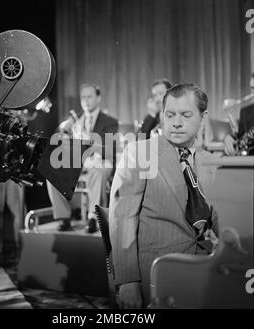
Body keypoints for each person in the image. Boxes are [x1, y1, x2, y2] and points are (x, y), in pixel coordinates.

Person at [109, 83, 219, 308]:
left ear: (203, 117)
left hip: (206, 268)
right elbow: (122, 218)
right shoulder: (140, 153)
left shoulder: (211, 162)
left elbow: (222, 221)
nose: (176, 122)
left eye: (186, 115)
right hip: (155, 273)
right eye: (170, 115)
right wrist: (128, 280)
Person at [47, 84, 119, 233]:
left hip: (101, 162)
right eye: (83, 97)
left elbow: (110, 148)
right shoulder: (75, 118)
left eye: (89, 96)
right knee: (52, 173)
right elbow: (58, 140)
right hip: (78, 162)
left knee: (97, 172)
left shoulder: (109, 121)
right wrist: (63, 129)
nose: (85, 101)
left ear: (98, 98)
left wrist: (88, 140)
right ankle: (64, 217)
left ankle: (94, 218)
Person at [224, 73, 254, 156]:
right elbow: (239, 136)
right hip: (248, 159)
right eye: (252, 88)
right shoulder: (245, 111)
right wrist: (229, 138)